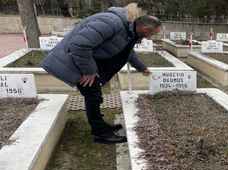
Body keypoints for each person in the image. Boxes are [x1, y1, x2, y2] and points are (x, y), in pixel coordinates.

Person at [41, 7, 161, 144]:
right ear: (145, 29)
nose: (150, 37)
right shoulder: (111, 23)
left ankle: (101, 126)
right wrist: (89, 71)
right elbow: (79, 45)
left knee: (94, 96)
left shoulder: (130, 31)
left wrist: (141, 67)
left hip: (86, 62)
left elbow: (127, 52)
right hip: (75, 61)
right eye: (152, 34)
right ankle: (100, 133)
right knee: (93, 96)